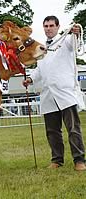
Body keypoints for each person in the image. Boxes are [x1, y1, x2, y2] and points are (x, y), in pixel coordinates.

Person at [22, 16, 86, 171]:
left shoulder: (67, 40)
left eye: (51, 25)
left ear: (58, 27)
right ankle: (57, 160)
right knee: (52, 132)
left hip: (65, 92)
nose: (48, 28)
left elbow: (77, 45)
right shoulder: (41, 47)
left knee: (73, 129)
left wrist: (76, 33)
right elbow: (40, 69)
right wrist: (30, 79)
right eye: (46, 26)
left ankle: (79, 160)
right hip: (48, 94)